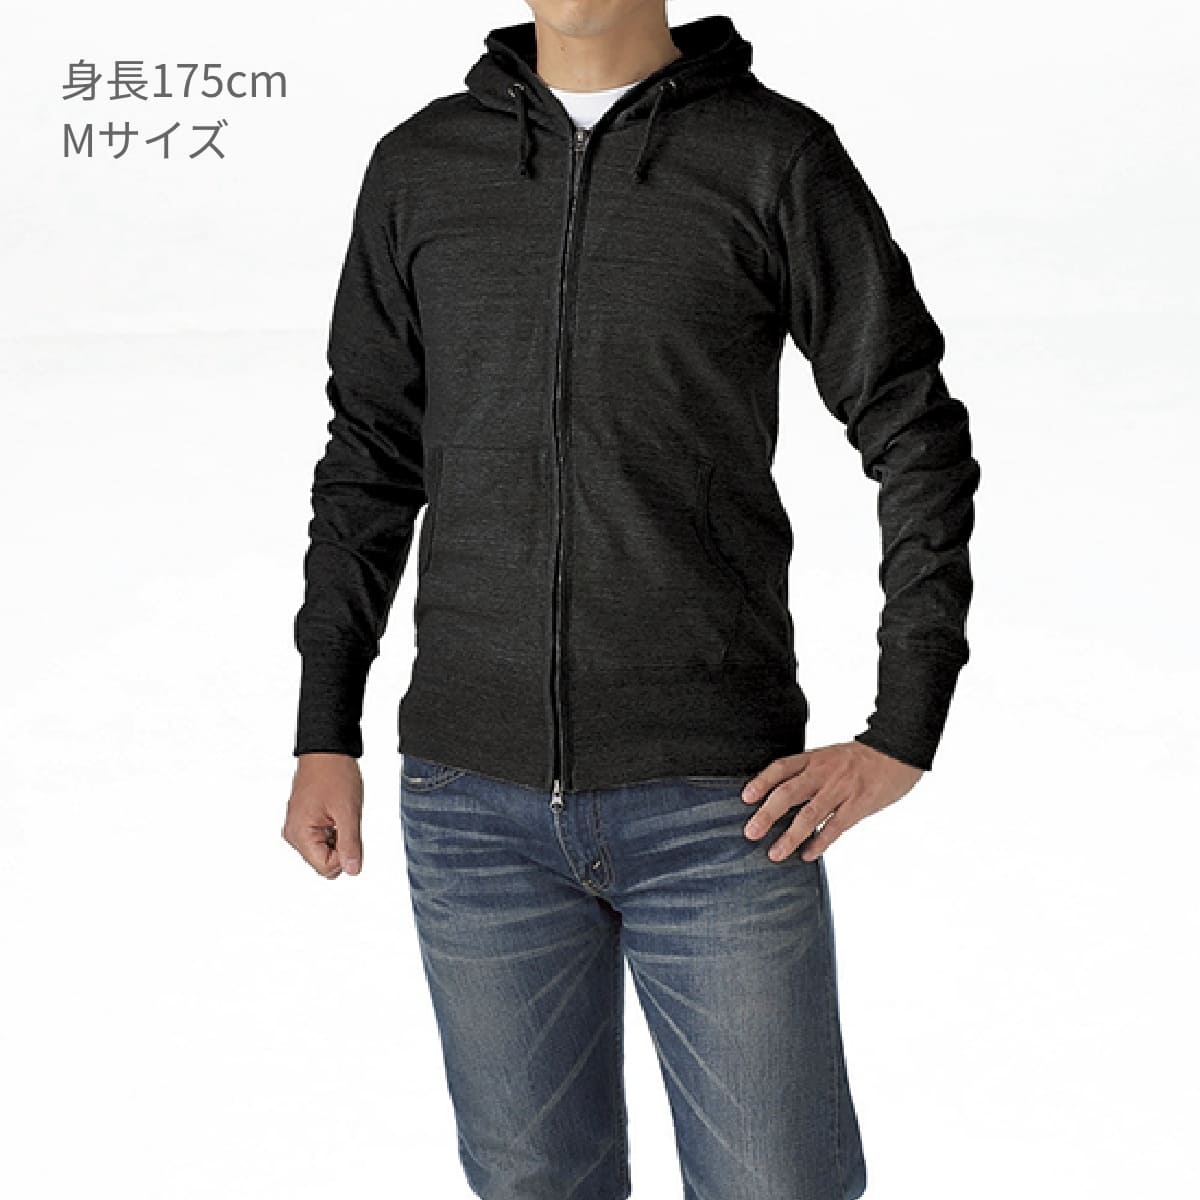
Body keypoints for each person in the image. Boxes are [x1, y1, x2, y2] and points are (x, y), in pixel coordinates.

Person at [282, 3, 979, 1197]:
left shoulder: (772, 157)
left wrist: (903, 726)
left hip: (720, 806)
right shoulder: (420, 166)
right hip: (471, 806)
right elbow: (369, 462)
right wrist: (323, 729)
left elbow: (914, 432)